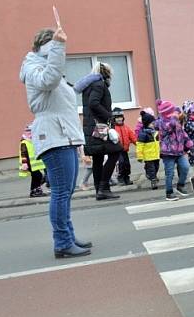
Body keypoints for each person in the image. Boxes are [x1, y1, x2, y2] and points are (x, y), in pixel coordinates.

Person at [19, 26, 91, 258]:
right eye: (56, 47)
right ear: (46, 47)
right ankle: (62, 242)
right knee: (61, 192)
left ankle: (68, 237)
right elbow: (48, 81)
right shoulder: (34, 67)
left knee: (66, 191)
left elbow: (60, 93)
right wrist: (59, 45)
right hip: (53, 137)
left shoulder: (47, 67)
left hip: (62, 136)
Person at [75, 62, 122, 201]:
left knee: (98, 158)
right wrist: (109, 116)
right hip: (99, 128)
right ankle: (104, 187)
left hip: (91, 127)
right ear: (106, 72)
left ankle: (99, 190)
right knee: (115, 152)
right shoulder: (99, 85)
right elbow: (94, 103)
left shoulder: (89, 86)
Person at [156, 99, 193, 201]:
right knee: (170, 173)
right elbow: (169, 128)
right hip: (168, 152)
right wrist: (174, 117)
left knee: (185, 167)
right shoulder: (161, 122)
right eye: (171, 111)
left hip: (179, 151)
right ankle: (169, 192)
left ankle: (180, 185)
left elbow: (182, 132)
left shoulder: (175, 121)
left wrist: (189, 144)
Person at [19, 123, 47, 198]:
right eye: (28, 131)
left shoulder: (31, 141)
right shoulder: (24, 142)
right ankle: (34, 191)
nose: (30, 133)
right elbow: (23, 153)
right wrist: (24, 163)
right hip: (28, 163)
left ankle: (37, 190)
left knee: (38, 176)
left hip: (33, 163)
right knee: (37, 175)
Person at [111, 107, 137, 186]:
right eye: (117, 118)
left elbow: (132, 137)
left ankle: (127, 178)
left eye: (120, 117)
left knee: (127, 164)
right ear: (114, 119)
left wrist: (138, 144)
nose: (119, 119)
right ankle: (120, 177)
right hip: (117, 150)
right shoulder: (113, 128)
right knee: (121, 163)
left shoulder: (126, 127)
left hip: (125, 150)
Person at [136, 110, 161, 190]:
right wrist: (139, 156)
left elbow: (159, 143)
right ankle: (153, 180)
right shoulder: (143, 134)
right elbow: (140, 145)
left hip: (156, 155)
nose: (153, 124)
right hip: (148, 156)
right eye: (152, 123)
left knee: (156, 167)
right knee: (152, 168)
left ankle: (150, 174)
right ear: (147, 124)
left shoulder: (155, 132)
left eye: (154, 123)